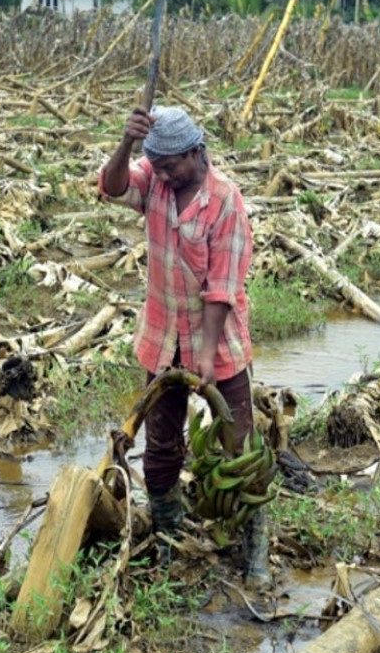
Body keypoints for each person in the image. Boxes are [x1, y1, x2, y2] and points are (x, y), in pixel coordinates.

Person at [98, 105, 269, 586]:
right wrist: (127, 143)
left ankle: (255, 548)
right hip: (162, 337)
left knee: (239, 448)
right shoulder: (155, 177)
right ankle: (169, 538)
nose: (165, 175)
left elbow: (222, 289)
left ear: (196, 153)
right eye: (159, 166)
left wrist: (209, 361)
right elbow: (111, 186)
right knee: (161, 449)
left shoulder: (225, 202)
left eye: (172, 166)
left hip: (218, 343)